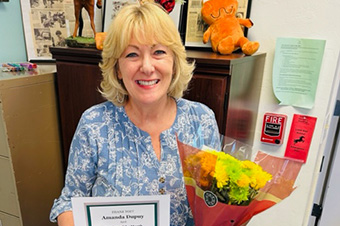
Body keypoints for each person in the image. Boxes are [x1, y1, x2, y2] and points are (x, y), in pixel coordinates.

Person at [50, 2, 221, 226]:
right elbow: (69, 203)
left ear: (174, 61)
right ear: (118, 68)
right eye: (132, 54)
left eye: (159, 52)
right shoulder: (94, 124)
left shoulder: (202, 120)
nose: (147, 67)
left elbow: (217, 200)